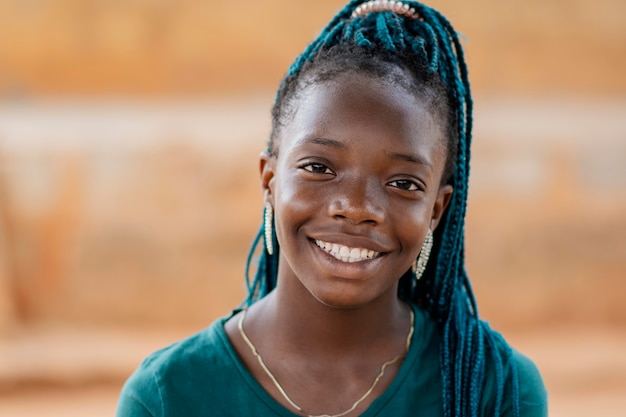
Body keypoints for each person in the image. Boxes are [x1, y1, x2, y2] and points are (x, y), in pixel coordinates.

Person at [116, 1, 548, 416]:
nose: (357, 208)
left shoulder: (494, 390)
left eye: (403, 183)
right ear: (269, 180)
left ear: (436, 210)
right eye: (319, 167)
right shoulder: (168, 397)